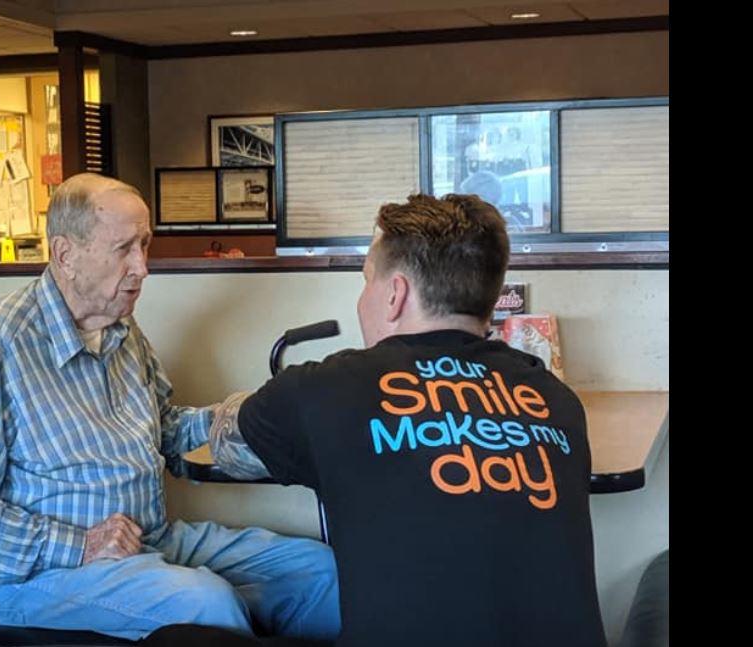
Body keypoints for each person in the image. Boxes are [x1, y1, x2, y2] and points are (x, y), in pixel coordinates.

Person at [0, 173, 339, 641]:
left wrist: (233, 420)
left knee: (319, 571)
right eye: (123, 249)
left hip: (150, 540)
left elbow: (165, 431)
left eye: (145, 244)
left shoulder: (122, 330)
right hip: (46, 576)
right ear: (65, 254)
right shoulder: (1, 340)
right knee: (205, 603)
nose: (142, 267)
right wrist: (79, 544)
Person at [208, 193, 606, 646]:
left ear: (395, 294)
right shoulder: (555, 398)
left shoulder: (325, 388)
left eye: (366, 281)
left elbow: (227, 448)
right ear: (490, 300)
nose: (364, 299)